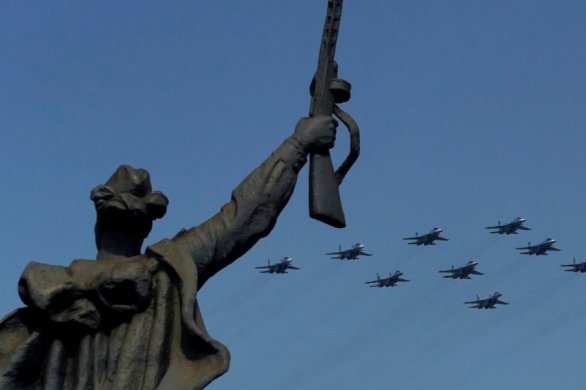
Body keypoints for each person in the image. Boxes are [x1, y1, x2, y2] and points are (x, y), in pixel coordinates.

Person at [0, 115, 337, 389]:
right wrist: (298, 145)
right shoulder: (166, 271)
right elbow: (243, 218)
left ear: (98, 224)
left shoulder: (49, 298)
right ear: (147, 226)